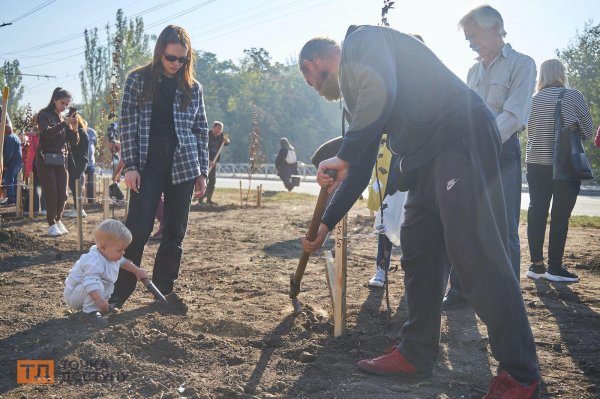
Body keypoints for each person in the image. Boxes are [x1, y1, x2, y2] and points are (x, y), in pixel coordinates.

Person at [299, 25, 539, 398]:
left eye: (310, 80)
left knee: (474, 253)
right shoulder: (356, 101)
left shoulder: (361, 40)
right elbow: (359, 165)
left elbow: (382, 92)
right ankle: (416, 351)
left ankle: (521, 374)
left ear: (313, 63)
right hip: (425, 157)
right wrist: (327, 223)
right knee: (420, 250)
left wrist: (344, 153)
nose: (315, 89)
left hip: (460, 135)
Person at [109, 25, 209, 313]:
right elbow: (126, 124)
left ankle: (164, 290)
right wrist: (131, 165)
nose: (177, 64)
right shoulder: (138, 80)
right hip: (148, 158)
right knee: (138, 228)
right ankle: (119, 292)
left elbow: (200, 129)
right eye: (171, 58)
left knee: (175, 231)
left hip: (185, 161)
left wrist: (202, 171)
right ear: (160, 53)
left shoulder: (193, 87)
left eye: (183, 60)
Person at [443, 5, 536, 310]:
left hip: (502, 155)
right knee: (463, 223)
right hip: (468, 154)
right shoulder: (472, 71)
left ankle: (506, 296)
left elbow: (514, 114)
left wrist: (478, 143)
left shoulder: (522, 65)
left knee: (503, 229)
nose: (470, 42)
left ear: (495, 28)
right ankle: (460, 291)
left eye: (474, 35)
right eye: (467, 38)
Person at [525, 59, 595, 283]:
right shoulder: (572, 96)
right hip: (563, 165)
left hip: (535, 163)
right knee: (559, 217)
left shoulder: (532, 100)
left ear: (542, 76)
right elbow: (587, 131)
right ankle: (555, 267)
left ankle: (536, 266)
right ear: (561, 74)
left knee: (536, 213)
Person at [64, 219, 148, 327]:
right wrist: (98, 299)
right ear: (103, 247)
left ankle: (101, 307)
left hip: (86, 291)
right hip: (74, 295)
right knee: (97, 283)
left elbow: (124, 262)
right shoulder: (94, 261)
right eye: (119, 250)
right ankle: (89, 313)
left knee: (108, 284)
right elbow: (89, 282)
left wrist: (137, 271)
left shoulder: (110, 255)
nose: (123, 253)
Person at [36, 87, 79, 237]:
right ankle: (51, 223)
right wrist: (64, 123)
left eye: (67, 104)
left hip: (61, 159)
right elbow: (47, 134)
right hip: (45, 158)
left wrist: (74, 129)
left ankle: (58, 219)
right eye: (62, 103)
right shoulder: (44, 115)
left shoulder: (63, 118)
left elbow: (73, 142)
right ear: (54, 99)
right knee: (51, 192)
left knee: (63, 193)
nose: (65, 107)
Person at [197, 121, 229, 205]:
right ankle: (200, 200)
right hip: (204, 162)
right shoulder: (207, 135)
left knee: (212, 181)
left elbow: (225, 143)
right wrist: (208, 161)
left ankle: (208, 199)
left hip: (214, 162)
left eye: (220, 129)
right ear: (213, 128)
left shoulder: (221, 136)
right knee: (203, 180)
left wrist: (227, 141)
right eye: (217, 128)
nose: (219, 131)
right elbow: (202, 149)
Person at [64, 114, 89, 218]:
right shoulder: (82, 131)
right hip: (80, 161)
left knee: (75, 185)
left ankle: (79, 209)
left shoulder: (79, 132)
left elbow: (75, 146)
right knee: (75, 184)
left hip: (78, 162)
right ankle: (77, 207)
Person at [24, 115, 46, 215]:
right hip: (45, 161)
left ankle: (35, 209)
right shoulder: (46, 132)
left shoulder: (30, 135)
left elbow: (29, 151)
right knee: (45, 186)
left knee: (34, 185)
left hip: (34, 161)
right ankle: (45, 208)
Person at [2, 122, 22, 206]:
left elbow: (8, 153)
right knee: (14, 180)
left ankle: (11, 198)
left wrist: (5, 163)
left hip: (12, 161)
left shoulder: (9, 138)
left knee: (8, 179)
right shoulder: (15, 136)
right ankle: (16, 198)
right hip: (17, 161)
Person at [85, 125, 97, 204]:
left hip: (91, 162)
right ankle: (79, 200)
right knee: (80, 182)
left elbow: (95, 144)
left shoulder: (92, 132)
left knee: (91, 182)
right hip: (81, 162)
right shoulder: (79, 131)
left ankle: (90, 200)